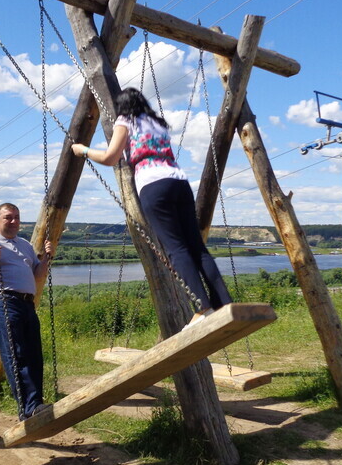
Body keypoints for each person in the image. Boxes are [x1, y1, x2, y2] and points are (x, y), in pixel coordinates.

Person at [70, 87, 232, 328]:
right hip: (179, 181)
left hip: (153, 184)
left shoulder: (125, 120)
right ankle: (224, 303)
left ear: (122, 107)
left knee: (175, 248)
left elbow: (110, 158)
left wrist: (82, 150)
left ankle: (204, 308)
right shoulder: (157, 123)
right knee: (196, 247)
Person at [0, 203, 54, 420]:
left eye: (17, 217)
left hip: (27, 303)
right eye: (8, 217)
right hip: (4, 300)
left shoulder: (24, 244)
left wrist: (46, 258)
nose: (14, 221)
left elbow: (37, 274)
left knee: (34, 354)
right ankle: (28, 409)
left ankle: (36, 404)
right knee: (16, 354)